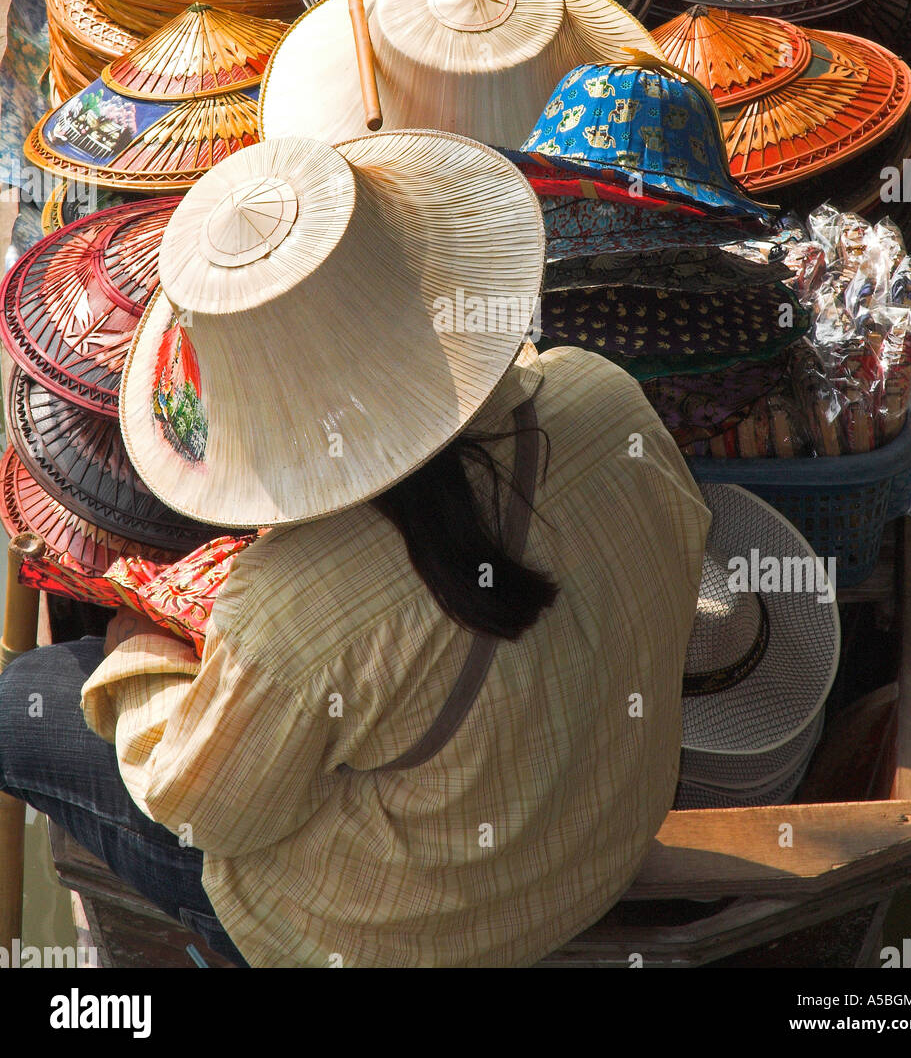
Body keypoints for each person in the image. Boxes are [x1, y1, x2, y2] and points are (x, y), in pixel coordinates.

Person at [0, 130, 710, 968]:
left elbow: (205, 809)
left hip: (399, 934)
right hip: (603, 847)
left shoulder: (289, 610)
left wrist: (136, 652)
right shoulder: (607, 399)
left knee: (27, 696)